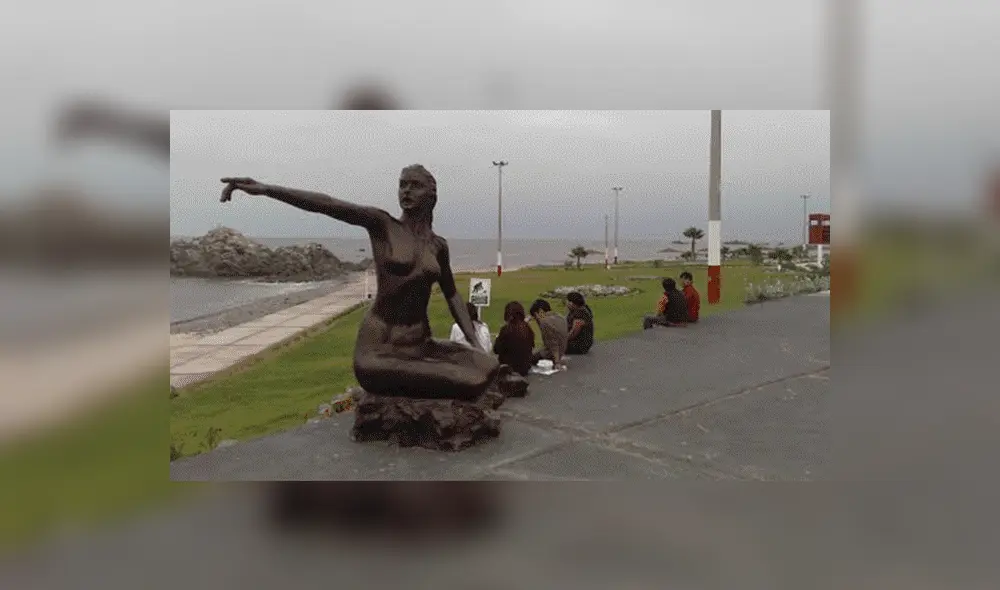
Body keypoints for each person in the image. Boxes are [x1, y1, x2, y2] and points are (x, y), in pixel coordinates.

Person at [220, 165, 500, 400]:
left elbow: (451, 295)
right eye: (402, 185)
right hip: (379, 351)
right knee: (470, 380)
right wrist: (267, 189)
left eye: (415, 186)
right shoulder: (383, 225)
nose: (406, 191)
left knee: (486, 364)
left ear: (432, 194)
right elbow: (328, 204)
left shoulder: (438, 246)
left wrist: (475, 342)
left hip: (420, 345)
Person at [493, 301, 536, 377]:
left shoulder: (506, 329)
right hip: (525, 368)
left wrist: (497, 338)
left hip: (509, 369)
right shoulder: (527, 328)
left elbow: (496, 350)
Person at [528, 299, 568, 368]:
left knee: (530, 358)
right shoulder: (560, 317)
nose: (536, 319)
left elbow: (553, 344)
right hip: (562, 349)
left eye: (535, 316)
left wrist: (557, 362)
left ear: (541, 311)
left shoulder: (545, 322)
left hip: (553, 353)